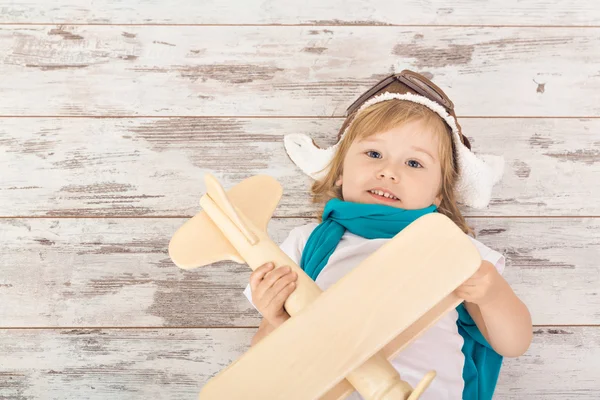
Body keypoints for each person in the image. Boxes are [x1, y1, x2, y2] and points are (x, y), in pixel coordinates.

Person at [242, 71, 532, 399]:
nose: (389, 172)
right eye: (374, 154)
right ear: (339, 172)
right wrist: (274, 320)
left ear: (439, 194)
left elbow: (513, 343)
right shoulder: (306, 243)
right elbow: (260, 366)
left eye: (414, 163)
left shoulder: (455, 252)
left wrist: (492, 294)